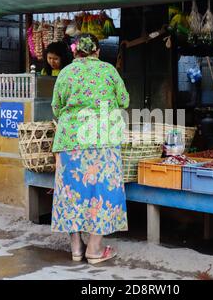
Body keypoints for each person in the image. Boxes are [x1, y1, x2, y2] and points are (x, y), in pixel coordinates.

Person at [51, 33, 130, 264]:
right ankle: (94, 249)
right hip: (102, 139)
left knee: (71, 192)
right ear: (97, 51)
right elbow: (124, 100)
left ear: (75, 51)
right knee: (103, 191)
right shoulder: (108, 71)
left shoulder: (65, 73)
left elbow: (56, 108)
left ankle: (76, 248)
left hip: (69, 140)